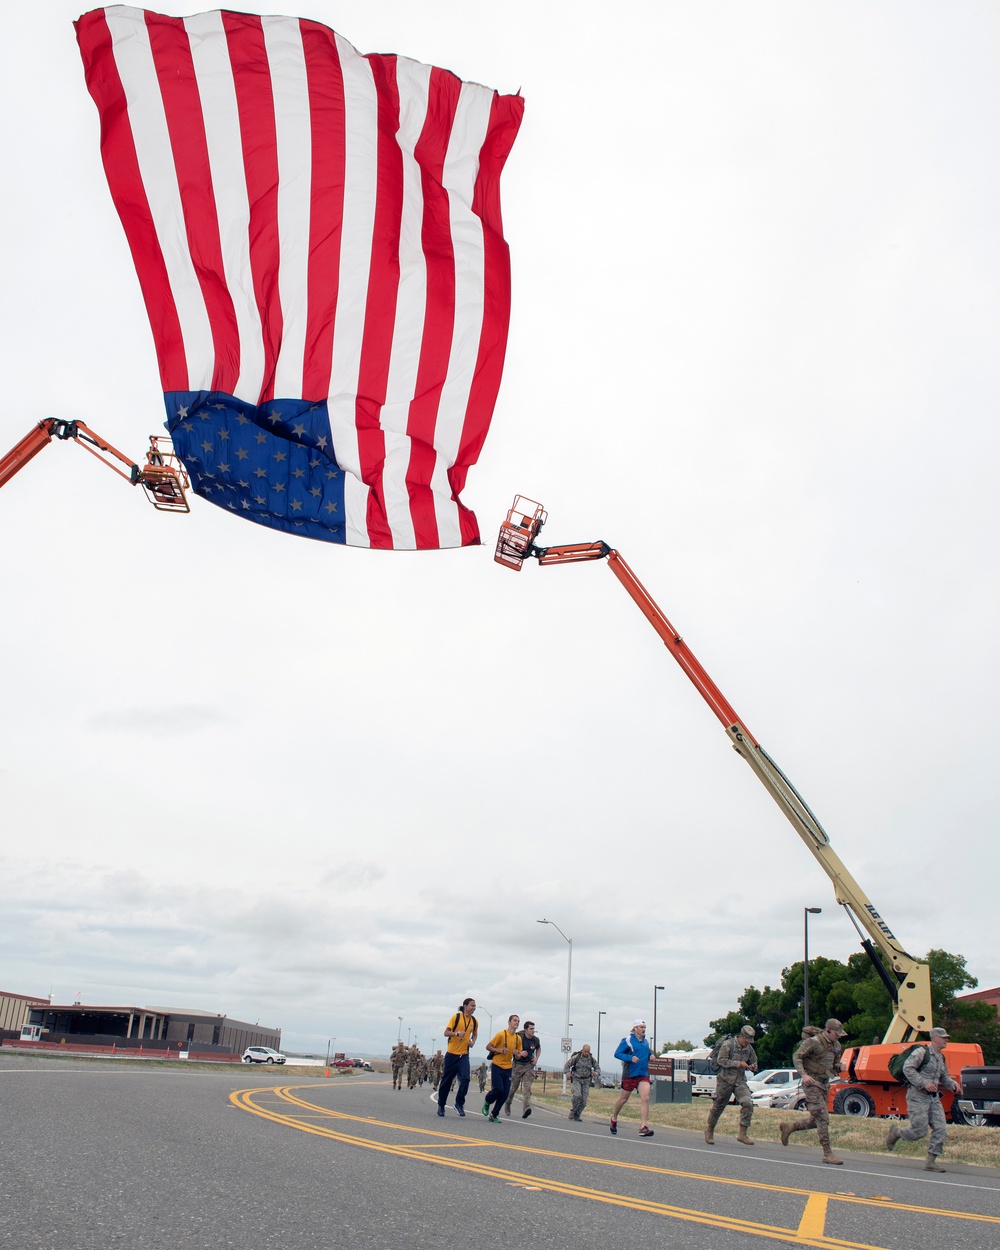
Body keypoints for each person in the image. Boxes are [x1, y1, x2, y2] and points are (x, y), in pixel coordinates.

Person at [885, 1027, 963, 1172]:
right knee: (919, 1131)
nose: (946, 1040)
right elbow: (907, 1068)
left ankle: (931, 1161)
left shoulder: (941, 1057)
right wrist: (923, 1083)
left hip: (933, 1098)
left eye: (946, 1037)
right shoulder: (921, 1053)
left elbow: (943, 1076)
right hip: (917, 1096)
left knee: (941, 1128)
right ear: (934, 1038)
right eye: (943, 1037)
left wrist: (953, 1084)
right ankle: (896, 1134)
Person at [780, 1018, 847, 1165]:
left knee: (816, 1119)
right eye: (837, 1033)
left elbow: (831, 1067)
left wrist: (838, 1068)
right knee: (823, 1118)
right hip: (812, 1083)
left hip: (824, 1084)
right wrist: (803, 1075)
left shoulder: (837, 1045)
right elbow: (797, 1057)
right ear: (828, 1030)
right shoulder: (813, 1042)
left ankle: (790, 1128)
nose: (839, 1036)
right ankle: (828, 1153)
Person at [704, 1025, 758, 1146]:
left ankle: (742, 1133)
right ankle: (709, 1130)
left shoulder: (749, 1048)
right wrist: (739, 1064)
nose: (747, 1043)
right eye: (746, 1040)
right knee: (718, 1106)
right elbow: (721, 1060)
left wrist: (753, 1066)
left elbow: (754, 1061)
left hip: (740, 1081)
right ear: (741, 1036)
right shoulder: (728, 1045)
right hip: (725, 1080)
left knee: (748, 1103)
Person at [611, 1019, 654, 1137]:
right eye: (641, 1027)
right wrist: (630, 1058)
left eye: (644, 1027)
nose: (643, 1029)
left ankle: (643, 1127)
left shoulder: (645, 1042)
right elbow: (617, 1053)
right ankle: (614, 1118)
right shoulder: (627, 1040)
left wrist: (651, 1055)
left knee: (645, 1098)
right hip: (630, 1074)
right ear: (635, 1028)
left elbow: (646, 1052)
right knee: (623, 1099)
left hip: (643, 1074)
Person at [436, 997, 478, 1117]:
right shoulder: (456, 1017)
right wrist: (456, 1033)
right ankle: (441, 1105)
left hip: (464, 1055)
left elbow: (475, 1034)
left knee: (465, 1079)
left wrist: (472, 1041)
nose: (474, 1008)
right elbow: (446, 1032)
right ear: (465, 1006)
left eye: (475, 1006)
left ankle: (459, 1103)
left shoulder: (474, 1021)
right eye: (472, 1006)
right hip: (451, 1055)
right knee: (446, 1082)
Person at [483, 1014, 524, 1123]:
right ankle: (487, 1101)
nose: (516, 1023)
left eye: (518, 1021)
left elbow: (518, 1055)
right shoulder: (501, 1035)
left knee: (505, 1094)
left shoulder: (518, 1038)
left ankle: (494, 1114)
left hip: (508, 1067)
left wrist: (517, 1054)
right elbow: (488, 1046)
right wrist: (500, 1050)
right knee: (498, 1090)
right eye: (515, 1020)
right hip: (497, 1065)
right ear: (509, 1022)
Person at [504, 1020, 541, 1118]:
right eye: (531, 1029)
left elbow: (538, 1048)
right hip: (518, 1065)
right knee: (513, 1088)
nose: (533, 1031)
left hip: (529, 1066)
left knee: (527, 1088)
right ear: (526, 1029)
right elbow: (511, 1047)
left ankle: (526, 1108)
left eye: (534, 1029)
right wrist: (519, 1053)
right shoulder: (519, 1037)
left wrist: (536, 1058)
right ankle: (508, 1103)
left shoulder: (535, 1040)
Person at [564, 1043, 600, 1120]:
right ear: (582, 1050)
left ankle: (577, 1114)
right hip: (577, 1079)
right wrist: (568, 1073)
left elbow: (597, 1068)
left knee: (584, 1101)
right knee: (577, 1095)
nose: (586, 1053)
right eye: (585, 1051)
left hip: (586, 1081)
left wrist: (596, 1073)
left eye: (588, 1052)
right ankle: (573, 1110)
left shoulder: (591, 1059)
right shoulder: (576, 1057)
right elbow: (567, 1065)